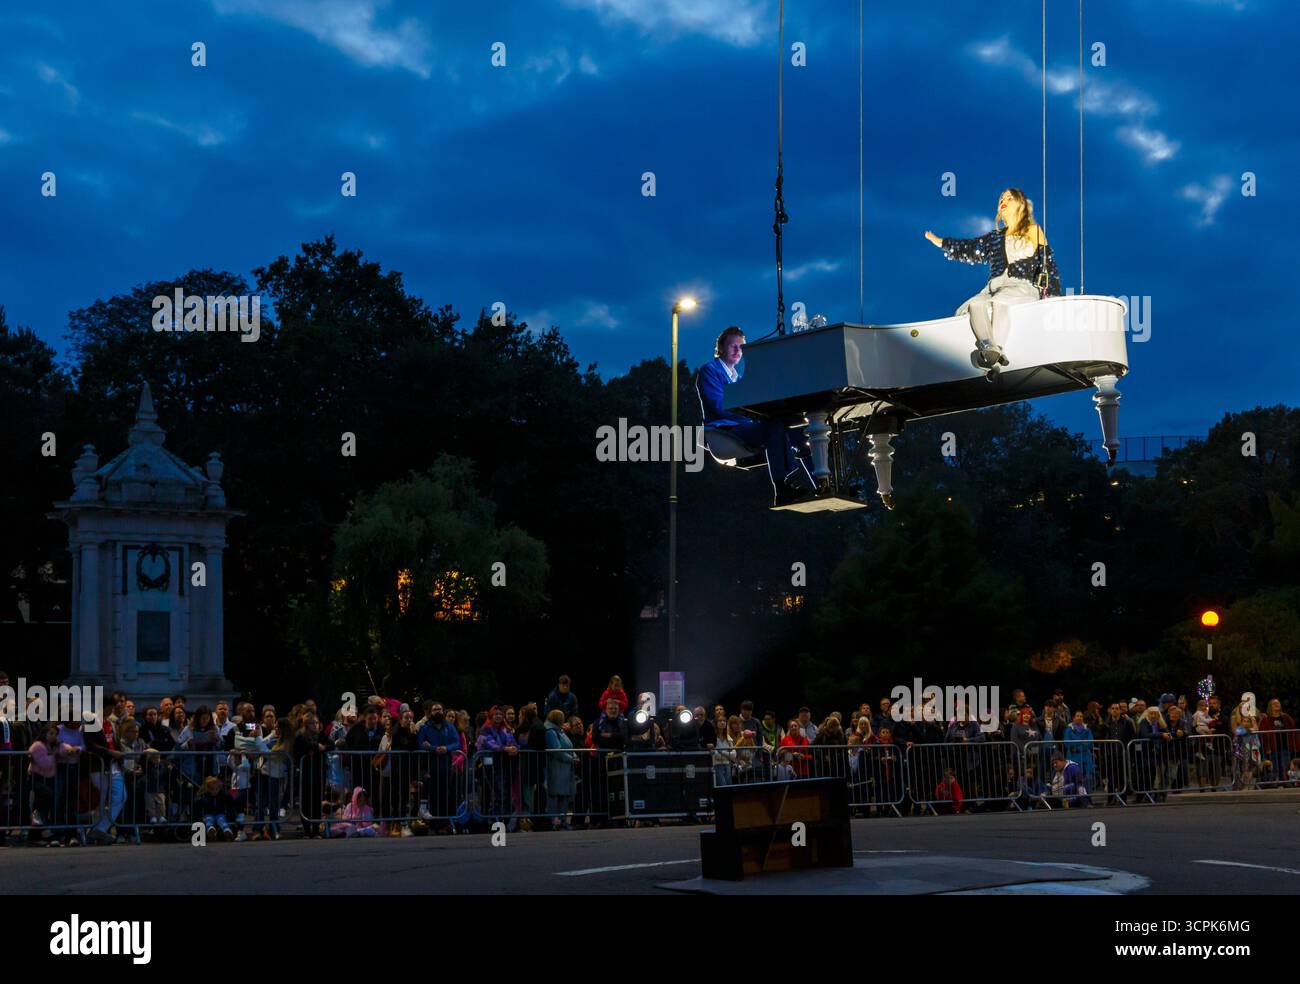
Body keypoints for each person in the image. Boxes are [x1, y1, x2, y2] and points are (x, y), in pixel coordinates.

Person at [924, 187, 1062, 373]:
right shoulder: (995, 238)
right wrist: (942, 242)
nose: (1003, 201)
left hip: (1021, 286)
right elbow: (971, 248)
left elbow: (1049, 265)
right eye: (1000, 199)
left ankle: (997, 351)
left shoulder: (1034, 231)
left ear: (1020, 204)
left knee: (998, 302)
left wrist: (1055, 299)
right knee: (975, 304)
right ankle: (990, 348)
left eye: (1009, 198)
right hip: (993, 288)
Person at [695, 325, 814, 506]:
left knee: (797, 428)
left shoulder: (739, 377)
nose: (737, 350)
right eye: (732, 345)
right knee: (773, 425)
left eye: (741, 346)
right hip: (725, 430)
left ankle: (821, 480)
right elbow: (719, 406)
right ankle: (781, 488)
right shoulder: (710, 370)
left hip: (744, 425)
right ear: (720, 349)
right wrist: (755, 415)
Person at [543, 709, 576, 829]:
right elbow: (556, 751)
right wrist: (571, 759)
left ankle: (562, 820)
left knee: (564, 795)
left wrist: (574, 756)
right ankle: (554, 821)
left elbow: (569, 747)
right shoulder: (551, 732)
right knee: (555, 795)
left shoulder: (560, 731)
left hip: (565, 769)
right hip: (556, 768)